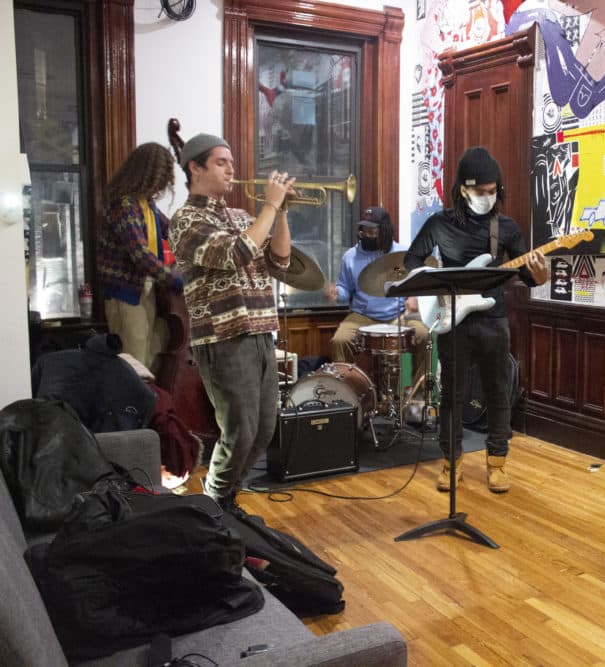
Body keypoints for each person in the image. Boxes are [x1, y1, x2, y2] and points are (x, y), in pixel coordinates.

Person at [404, 146, 550, 493]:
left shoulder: (508, 227)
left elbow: (528, 276)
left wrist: (540, 276)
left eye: (492, 191)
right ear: (462, 190)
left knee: (498, 393)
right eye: (479, 192)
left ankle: (497, 463)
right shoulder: (438, 224)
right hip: (453, 321)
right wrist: (432, 286)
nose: (486, 197)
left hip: (494, 320)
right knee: (452, 395)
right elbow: (411, 261)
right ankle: (451, 464)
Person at [168, 132, 296, 509]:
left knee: (263, 430)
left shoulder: (241, 216)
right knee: (238, 432)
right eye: (221, 162)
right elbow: (236, 253)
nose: (231, 170)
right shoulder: (186, 220)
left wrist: (282, 211)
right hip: (222, 336)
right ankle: (215, 503)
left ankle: (228, 499)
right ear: (196, 168)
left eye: (232, 163)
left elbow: (280, 261)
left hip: (260, 332)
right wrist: (270, 207)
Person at [96, 142, 183, 374]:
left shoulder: (146, 204)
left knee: (152, 354)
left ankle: (153, 408)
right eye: (161, 177)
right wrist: (175, 279)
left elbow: (174, 231)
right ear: (147, 174)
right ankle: (133, 410)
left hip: (146, 289)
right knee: (134, 362)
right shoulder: (124, 205)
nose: (164, 184)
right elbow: (140, 254)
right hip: (126, 294)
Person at [326, 206, 430, 390]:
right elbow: (345, 288)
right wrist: (337, 293)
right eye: (364, 230)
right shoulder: (350, 256)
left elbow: (417, 282)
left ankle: (417, 395)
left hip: (398, 314)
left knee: (423, 335)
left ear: (385, 231)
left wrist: (414, 297)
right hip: (362, 315)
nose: (367, 234)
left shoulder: (403, 253)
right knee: (340, 340)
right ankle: (348, 394)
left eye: (372, 230)